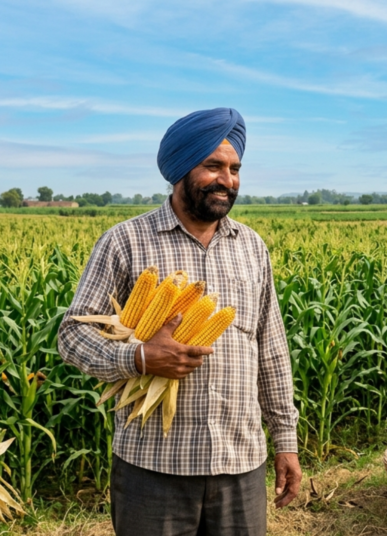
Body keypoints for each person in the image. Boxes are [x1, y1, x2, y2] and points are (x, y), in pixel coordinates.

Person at [58, 107, 300, 536]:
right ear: (180, 170)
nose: (228, 180)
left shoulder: (251, 247)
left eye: (235, 168)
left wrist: (286, 442)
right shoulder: (125, 241)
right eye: (213, 166)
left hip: (240, 464)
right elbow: (72, 337)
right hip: (153, 466)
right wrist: (139, 358)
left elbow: (272, 350)